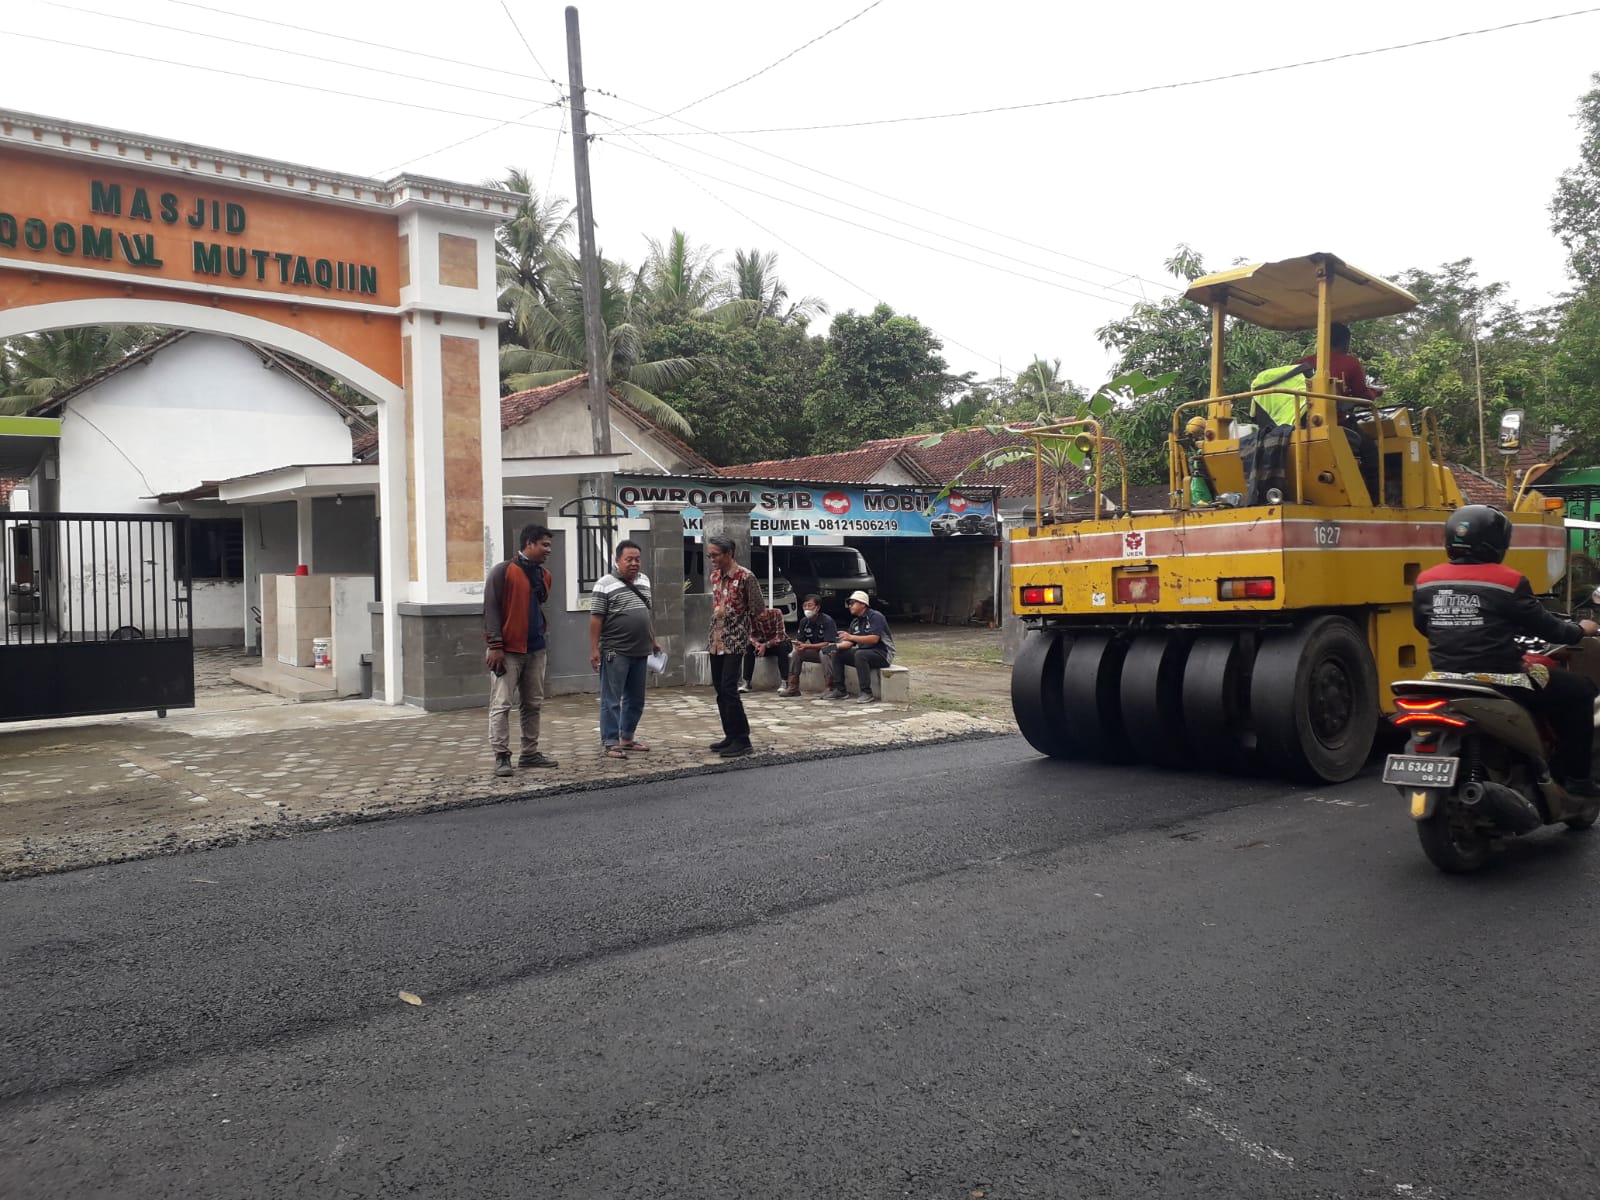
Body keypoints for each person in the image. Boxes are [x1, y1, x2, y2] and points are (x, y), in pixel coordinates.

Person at [1412, 504, 1600, 795]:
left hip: (1445, 678)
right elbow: (1551, 629)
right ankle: (1575, 779)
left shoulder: (1426, 581)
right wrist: (1581, 629)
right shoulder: (1508, 580)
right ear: (1498, 542)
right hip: (1502, 679)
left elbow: (1424, 625)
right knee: (1581, 692)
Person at [483, 524, 558, 777]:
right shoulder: (503, 572)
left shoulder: (544, 575)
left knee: (533, 703)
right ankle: (501, 755)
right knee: (502, 703)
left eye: (549, 545)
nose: (548, 550)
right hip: (508, 650)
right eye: (544, 545)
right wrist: (495, 646)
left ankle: (530, 753)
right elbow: (490, 610)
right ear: (529, 544)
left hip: (536, 649)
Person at [589, 539, 660, 761]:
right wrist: (594, 649)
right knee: (611, 700)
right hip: (615, 651)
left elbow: (645, 614)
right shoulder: (604, 584)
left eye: (637, 559)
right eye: (628, 559)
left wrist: (654, 641)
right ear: (617, 560)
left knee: (636, 699)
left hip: (641, 651)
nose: (634, 563)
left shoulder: (645, 582)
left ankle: (627, 738)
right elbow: (596, 619)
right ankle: (610, 741)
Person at [1299, 321, 1382, 501]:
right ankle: (1374, 500)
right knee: (1370, 449)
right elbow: (1363, 396)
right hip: (1337, 422)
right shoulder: (1350, 363)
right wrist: (1375, 392)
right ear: (1345, 342)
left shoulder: (1302, 363)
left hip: (1301, 426)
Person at [706, 536, 765, 757]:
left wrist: (746, 627)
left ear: (729, 553)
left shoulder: (746, 577)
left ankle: (742, 739)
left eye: (715, 555)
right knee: (720, 689)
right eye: (710, 555)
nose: (712, 559)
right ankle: (730, 734)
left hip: (735, 639)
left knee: (730, 688)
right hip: (716, 639)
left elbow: (758, 608)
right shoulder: (715, 577)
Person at [824, 590, 895, 703]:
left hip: (883, 654)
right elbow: (849, 643)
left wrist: (851, 637)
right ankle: (840, 690)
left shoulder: (875, 616)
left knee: (860, 654)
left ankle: (866, 692)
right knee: (838, 654)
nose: (850, 606)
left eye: (853, 603)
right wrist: (834, 646)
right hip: (864, 653)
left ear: (863, 604)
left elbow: (874, 639)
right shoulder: (855, 622)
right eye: (850, 603)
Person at [784, 594, 839, 698]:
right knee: (796, 653)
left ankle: (830, 687)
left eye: (810, 605)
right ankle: (793, 686)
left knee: (824, 651)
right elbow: (801, 641)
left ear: (817, 607)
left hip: (835, 648)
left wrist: (807, 646)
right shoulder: (804, 622)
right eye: (805, 606)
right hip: (816, 650)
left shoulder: (827, 620)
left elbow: (828, 643)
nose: (807, 608)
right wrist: (798, 645)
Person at [741, 606, 793, 695]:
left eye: (762, 612)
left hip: (778, 643)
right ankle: (746, 682)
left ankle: (784, 681)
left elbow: (780, 636)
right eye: (758, 614)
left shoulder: (777, 613)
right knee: (748, 648)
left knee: (782, 647)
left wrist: (766, 645)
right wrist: (757, 644)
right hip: (762, 645)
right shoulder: (751, 618)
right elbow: (750, 635)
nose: (761, 615)